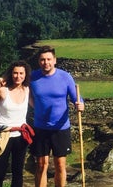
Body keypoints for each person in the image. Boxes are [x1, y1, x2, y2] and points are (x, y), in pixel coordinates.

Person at [30, 45, 85, 187]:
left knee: (60, 165)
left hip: (61, 128)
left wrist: (80, 104)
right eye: (42, 60)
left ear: (55, 60)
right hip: (40, 127)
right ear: (38, 61)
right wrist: (3, 80)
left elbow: (76, 97)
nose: (46, 62)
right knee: (41, 165)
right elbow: (17, 82)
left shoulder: (65, 77)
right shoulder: (33, 77)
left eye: (49, 59)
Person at [0, 61, 34, 187]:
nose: (18, 76)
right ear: (10, 74)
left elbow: (36, 106)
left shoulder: (27, 90)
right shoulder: (1, 90)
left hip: (21, 135)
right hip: (2, 135)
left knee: (18, 172)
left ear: (25, 75)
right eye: (15, 73)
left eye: (21, 73)